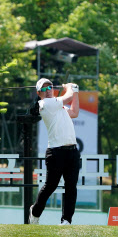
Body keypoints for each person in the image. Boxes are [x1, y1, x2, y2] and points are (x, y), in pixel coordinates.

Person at [29, 78, 80, 225]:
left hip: (72, 151)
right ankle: (35, 212)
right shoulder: (45, 103)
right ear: (39, 93)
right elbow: (67, 97)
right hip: (56, 152)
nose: (48, 90)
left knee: (71, 186)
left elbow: (75, 112)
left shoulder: (59, 106)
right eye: (44, 89)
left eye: (50, 87)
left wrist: (74, 91)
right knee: (51, 186)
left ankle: (66, 220)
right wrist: (70, 87)